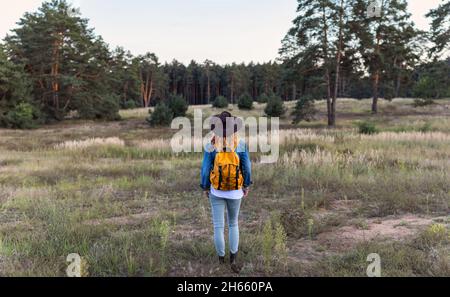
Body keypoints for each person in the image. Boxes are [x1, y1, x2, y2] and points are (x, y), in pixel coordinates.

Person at [200, 111, 252, 273]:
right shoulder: (241, 144)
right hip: (236, 191)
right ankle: (233, 258)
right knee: (233, 223)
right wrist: (246, 185)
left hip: (216, 191)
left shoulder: (211, 145)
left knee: (218, 226)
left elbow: (205, 169)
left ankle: (221, 260)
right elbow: (247, 167)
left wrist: (206, 187)